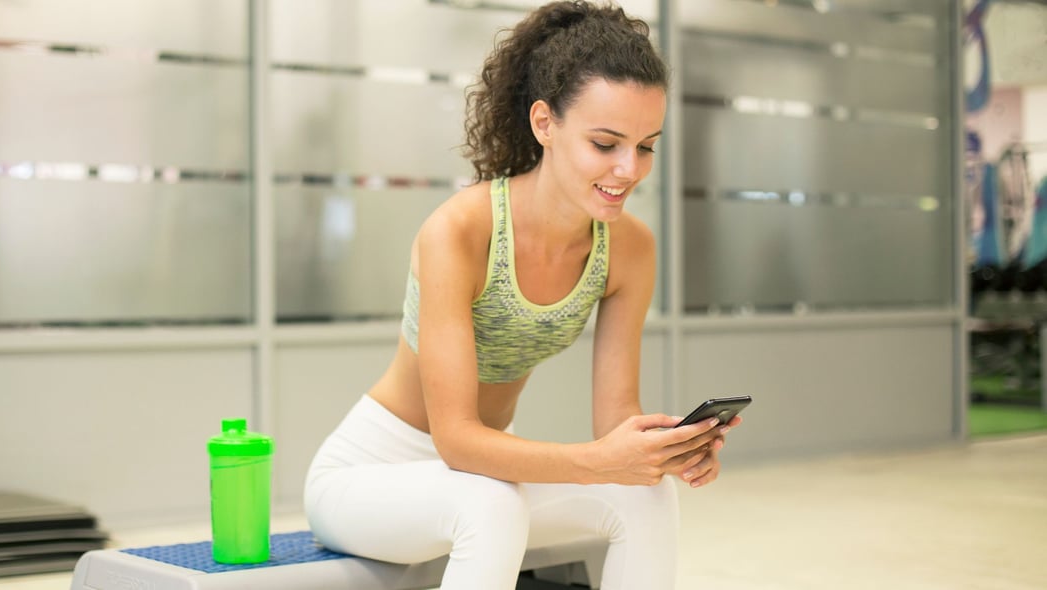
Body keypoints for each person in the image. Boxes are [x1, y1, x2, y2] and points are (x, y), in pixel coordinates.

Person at [303, 2, 741, 588]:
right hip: (374, 473)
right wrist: (597, 462)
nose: (629, 168)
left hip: (489, 472)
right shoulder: (460, 232)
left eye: (646, 146)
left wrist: (663, 451)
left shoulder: (629, 249)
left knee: (647, 497)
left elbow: (615, 419)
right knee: (490, 505)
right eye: (605, 143)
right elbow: (457, 441)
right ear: (545, 124)